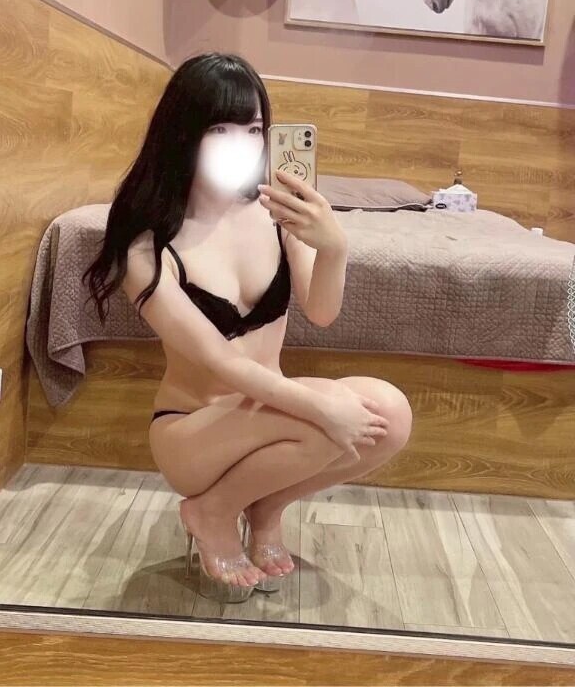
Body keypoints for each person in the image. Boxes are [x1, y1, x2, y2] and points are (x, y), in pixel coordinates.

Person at [83, 53, 412, 603]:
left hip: (270, 413)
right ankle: (210, 511)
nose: (241, 143)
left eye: (254, 129)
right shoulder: (147, 248)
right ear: (183, 132)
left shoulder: (275, 216)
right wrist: (322, 406)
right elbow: (222, 361)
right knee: (325, 416)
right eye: (220, 128)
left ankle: (265, 506)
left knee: (391, 415)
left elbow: (322, 311)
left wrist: (334, 246)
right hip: (193, 432)